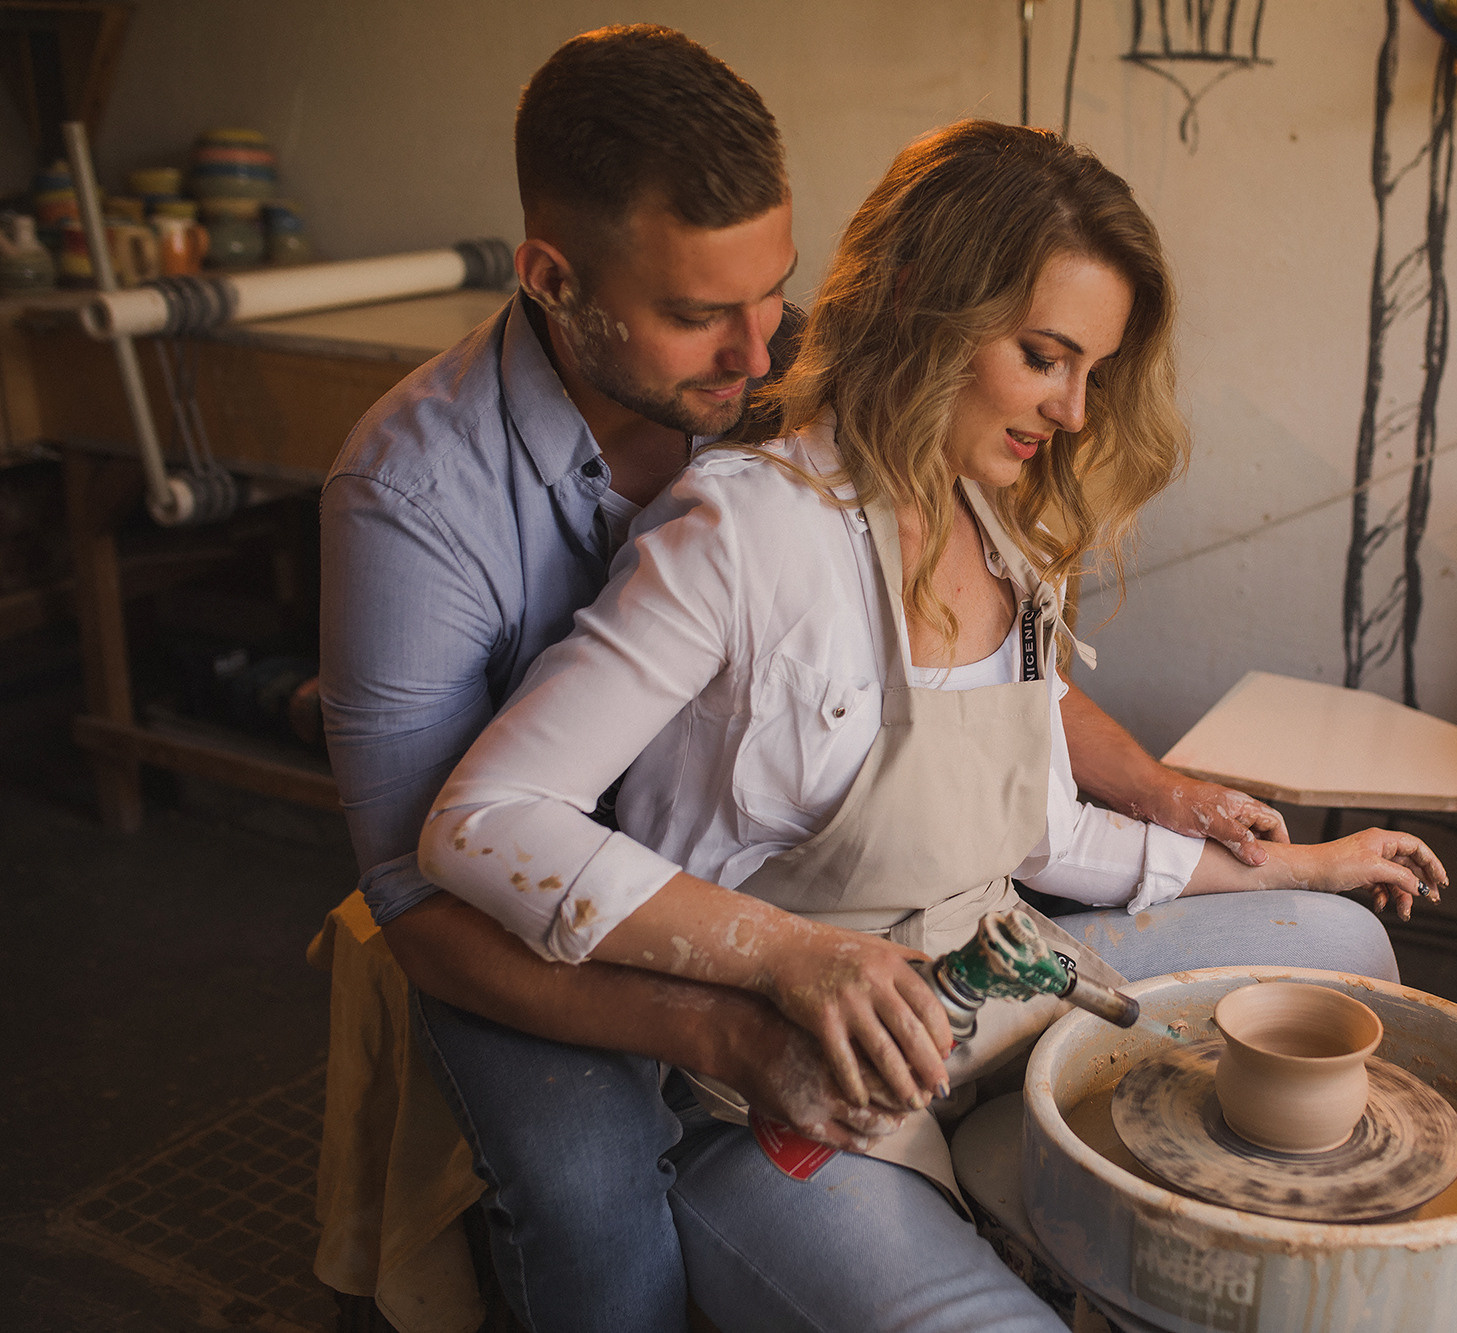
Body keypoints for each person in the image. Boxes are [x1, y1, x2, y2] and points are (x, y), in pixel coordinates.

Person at [320, 25, 1313, 1331]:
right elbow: (428, 880)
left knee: (1292, 962)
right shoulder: (411, 493)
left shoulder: (792, 382)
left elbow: (961, 671)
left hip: (768, 883)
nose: (756, 354)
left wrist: (1162, 791)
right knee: (600, 1215)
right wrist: (743, 1015)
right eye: (695, 314)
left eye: (770, 291)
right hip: (507, 931)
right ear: (555, 280)